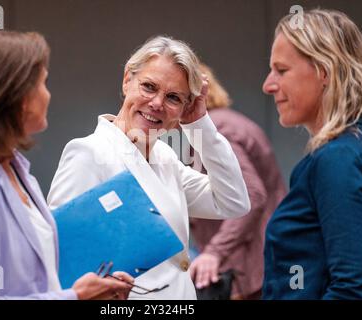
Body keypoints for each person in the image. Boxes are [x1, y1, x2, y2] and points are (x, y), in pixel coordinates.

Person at [0, 30, 133, 300]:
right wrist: (75, 297)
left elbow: (32, 283)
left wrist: (88, 291)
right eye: (42, 83)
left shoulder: (17, 170)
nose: (47, 95)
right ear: (14, 94)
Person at [47, 36, 251, 299]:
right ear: (126, 80)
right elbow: (61, 254)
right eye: (149, 86)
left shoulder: (164, 158)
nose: (157, 103)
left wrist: (199, 123)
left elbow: (233, 202)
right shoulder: (90, 152)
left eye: (173, 98)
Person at [262, 9, 362, 299]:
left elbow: (355, 289)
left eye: (281, 70)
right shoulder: (349, 149)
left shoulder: (339, 159)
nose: (268, 85)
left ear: (324, 71)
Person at [189, 63, 286, 300]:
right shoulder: (225, 122)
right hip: (263, 260)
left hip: (252, 266)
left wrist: (215, 252)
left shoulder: (216, 129)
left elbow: (252, 195)